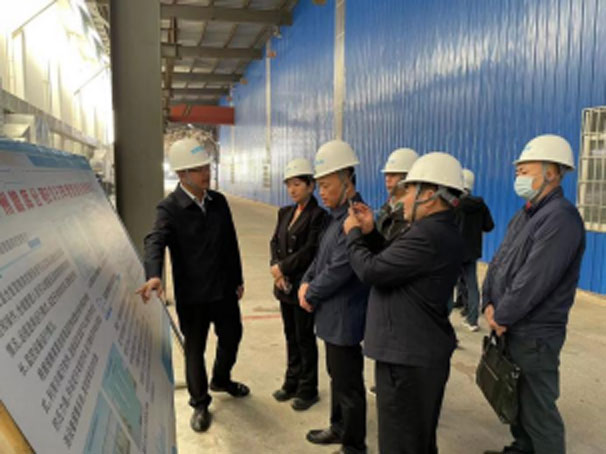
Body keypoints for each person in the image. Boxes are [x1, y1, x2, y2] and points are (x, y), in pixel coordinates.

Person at [344, 152, 465, 454]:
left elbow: (372, 271)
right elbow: (393, 262)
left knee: (401, 443)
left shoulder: (428, 234)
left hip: (408, 358)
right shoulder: (435, 229)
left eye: (409, 190)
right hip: (413, 354)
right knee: (416, 441)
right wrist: (371, 233)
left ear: (430, 194)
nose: (403, 197)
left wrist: (354, 235)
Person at [136, 138, 249, 434]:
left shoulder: (218, 202)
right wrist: (154, 274)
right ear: (181, 174)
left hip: (223, 289)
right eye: (198, 169)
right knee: (195, 350)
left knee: (232, 335)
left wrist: (237, 278)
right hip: (194, 295)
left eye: (206, 167)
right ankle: (200, 403)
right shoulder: (170, 208)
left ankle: (221, 378)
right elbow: (155, 240)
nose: (205, 173)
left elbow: (231, 243)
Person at [482, 134, 585, 454]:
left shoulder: (561, 218)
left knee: (538, 409)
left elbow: (535, 280)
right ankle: (522, 447)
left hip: (535, 333)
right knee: (516, 399)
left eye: (525, 170)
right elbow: (498, 261)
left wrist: (502, 315)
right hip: (512, 326)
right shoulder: (526, 214)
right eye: (518, 171)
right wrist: (487, 301)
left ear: (551, 173)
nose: (518, 176)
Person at [299, 140, 369, 454]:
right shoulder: (335, 216)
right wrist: (306, 281)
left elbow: (341, 267)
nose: (321, 192)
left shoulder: (355, 217)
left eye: (326, 185)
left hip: (345, 315)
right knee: (336, 377)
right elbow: (320, 258)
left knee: (349, 383)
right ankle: (338, 427)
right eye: (319, 185)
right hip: (330, 315)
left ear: (347, 181)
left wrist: (311, 292)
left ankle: (354, 445)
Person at [269, 158, 327, 411]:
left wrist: (283, 267)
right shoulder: (285, 212)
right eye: (289, 184)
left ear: (311, 186)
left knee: (304, 337)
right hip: (284, 285)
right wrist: (276, 269)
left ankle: (308, 388)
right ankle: (291, 381)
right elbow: (275, 242)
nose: (292, 190)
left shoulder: (319, 216)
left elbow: (311, 250)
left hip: (303, 285)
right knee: (290, 335)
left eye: (297, 184)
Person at [452, 168, 494, 331]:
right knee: (471, 284)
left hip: (454, 251)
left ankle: (443, 320)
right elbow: (489, 226)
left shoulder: (454, 204)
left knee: (448, 284)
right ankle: (472, 320)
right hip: (472, 251)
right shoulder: (480, 205)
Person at [375, 148, 418, 243]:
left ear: (408, 178)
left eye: (393, 175)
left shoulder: (413, 216)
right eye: (386, 175)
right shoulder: (385, 209)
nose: (387, 179)